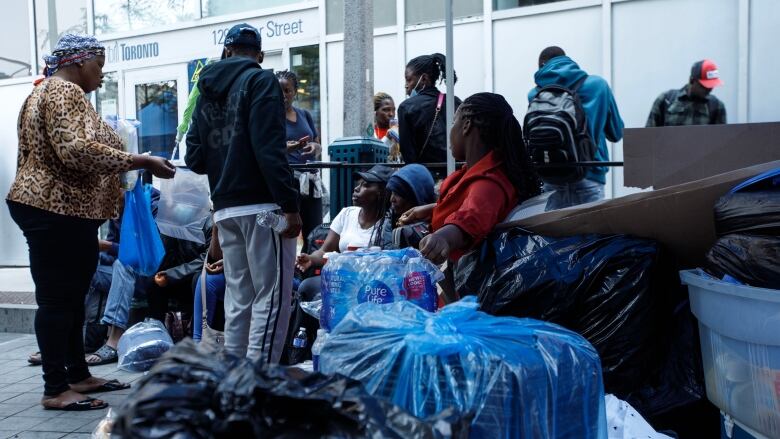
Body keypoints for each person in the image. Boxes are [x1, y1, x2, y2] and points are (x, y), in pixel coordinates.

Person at [6, 34, 175, 411]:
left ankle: (77, 374)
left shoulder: (46, 92)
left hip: (64, 210)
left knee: (72, 299)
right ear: (79, 62)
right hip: (53, 208)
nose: (101, 74)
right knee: (57, 300)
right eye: (99, 66)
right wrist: (140, 161)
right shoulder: (64, 92)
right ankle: (55, 389)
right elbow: (77, 150)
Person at [185, 23, 302, 363]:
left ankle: (235, 374)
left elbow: (194, 157)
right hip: (264, 206)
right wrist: (290, 204)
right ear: (260, 55)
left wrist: (226, 159)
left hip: (225, 207)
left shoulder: (206, 88)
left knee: (239, 296)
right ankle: (256, 382)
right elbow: (269, 149)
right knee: (271, 297)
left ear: (226, 51)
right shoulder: (260, 79)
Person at [399, 92, 542, 267]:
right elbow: (470, 202)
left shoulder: (489, 183)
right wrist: (431, 209)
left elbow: (473, 216)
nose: (450, 131)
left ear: (466, 125)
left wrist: (443, 238)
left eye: (453, 123)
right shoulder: (479, 174)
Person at [528, 46, 623, 210]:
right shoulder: (598, 85)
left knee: (553, 234)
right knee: (591, 234)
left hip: (552, 175)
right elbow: (616, 133)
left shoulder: (535, 94)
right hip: (589, 174)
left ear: (542, 66)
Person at [295, 165, 394, 299]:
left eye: (366, 185)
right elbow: (325, 251)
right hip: (342, 279)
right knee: (306, 286)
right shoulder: (347, 214)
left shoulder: (388, 225)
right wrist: (311, 259)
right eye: (358, 184)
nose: (357, 188)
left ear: (382, 193)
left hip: (373, 285)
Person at [276, 69, 323, 253]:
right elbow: (269, 151)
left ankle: (309, 270)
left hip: (311, 181)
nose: (283, 95)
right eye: (279, 91)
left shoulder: (305, 114)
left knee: (314, 231)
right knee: (289, 231)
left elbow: (317, 144)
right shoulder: (271, 118)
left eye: (287, 90)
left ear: (294, 91)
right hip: (289, 181)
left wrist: (314, 147)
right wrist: (290, 147)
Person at [397, 53, 461, 174]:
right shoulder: (455, 102)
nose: (406, 85)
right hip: (456, 176)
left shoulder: (406, 107)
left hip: (425, 178)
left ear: (424, 79)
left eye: (409, 79)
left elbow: (409, 157)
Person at [646, 59, 727, 127]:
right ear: (692, 80)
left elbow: (722, 142)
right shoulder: (666, 100)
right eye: (704, 86)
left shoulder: (717, 106)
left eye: (711, 86)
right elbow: (649, 137)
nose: (709, 89)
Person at [379, 164, 436, 249]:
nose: (392, 199)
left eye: (398, 194)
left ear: (415, 197)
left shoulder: (437, 227)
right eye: (392, 193)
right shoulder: (389, 221)